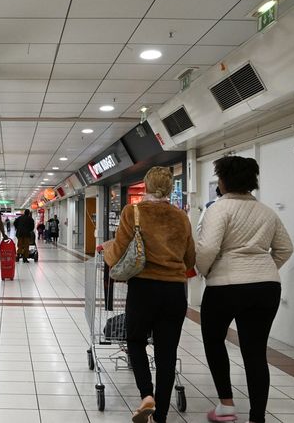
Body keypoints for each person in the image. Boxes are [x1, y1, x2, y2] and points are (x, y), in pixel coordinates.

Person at [196, 156, 293, 423]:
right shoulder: (266, 212)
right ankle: (257, 417)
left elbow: (206, 248)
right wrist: (263, 269)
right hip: (266, 288)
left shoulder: (219, 209)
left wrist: (206, 271)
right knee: (255, 351)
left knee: (214, 341)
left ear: (223, 181)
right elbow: (286, 248)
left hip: (225, 287)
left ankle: (226, 406)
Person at [98, 166, 195, 423]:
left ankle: (146, 395)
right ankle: (160, 416)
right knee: (167, 351)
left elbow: (118, 251)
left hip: (143, 289)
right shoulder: (181, 217)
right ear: (169, 187)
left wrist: (107, 251)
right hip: (175, 291)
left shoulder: (133, 212)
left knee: (136, 341)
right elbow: (190, 258)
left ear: (146, 185)